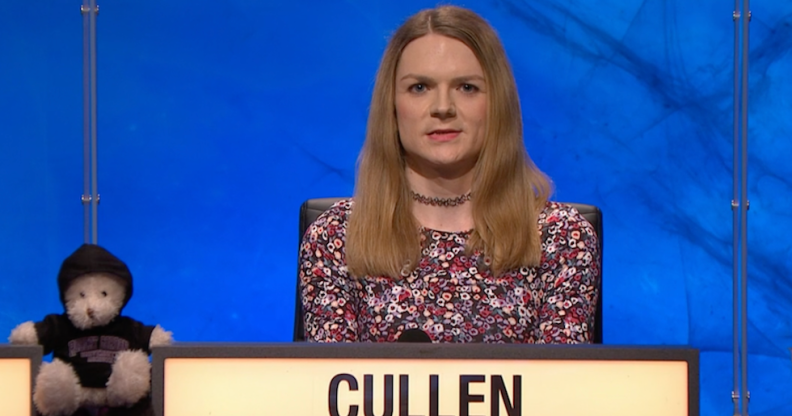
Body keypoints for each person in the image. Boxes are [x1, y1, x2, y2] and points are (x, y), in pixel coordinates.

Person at [299, 5, 599, 343]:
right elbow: (330, 391)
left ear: (497, 104)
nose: (443, 107)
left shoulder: (561, 238)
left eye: (466, 87)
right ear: (393, 108)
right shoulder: (336, 237)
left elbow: (561, 390)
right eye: (420, 87)